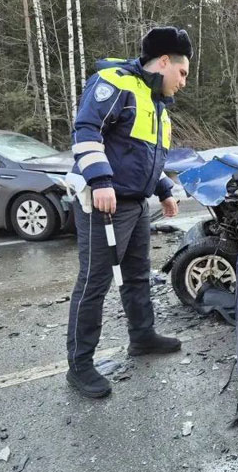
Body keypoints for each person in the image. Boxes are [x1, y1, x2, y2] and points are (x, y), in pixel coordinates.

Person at [65, 27, 191, 398]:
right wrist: (100, 180)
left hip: (135, 204)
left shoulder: (157, 105)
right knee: (94, 282)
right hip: (103, 202)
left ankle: (142, 336)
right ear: (165, 62)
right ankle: (80, 365)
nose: (183, 82)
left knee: (137, 275)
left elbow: (148, 158)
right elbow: (86, 128)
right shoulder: (115, 82)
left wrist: (165, 190)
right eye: (182, 73)